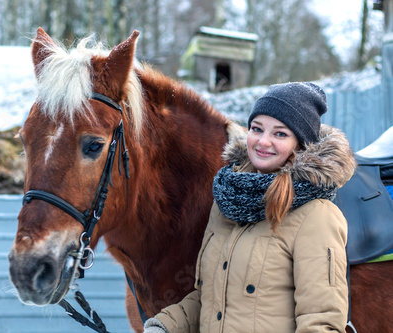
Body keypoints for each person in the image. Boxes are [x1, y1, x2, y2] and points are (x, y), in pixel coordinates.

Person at [143, 82, 356, 333]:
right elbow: (210, 300)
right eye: (257, 129)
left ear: (301, 144)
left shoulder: (316, 215)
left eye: (280, 134)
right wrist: (164, 326)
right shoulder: (227, 202)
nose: (263, 142)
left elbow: (321, 322)